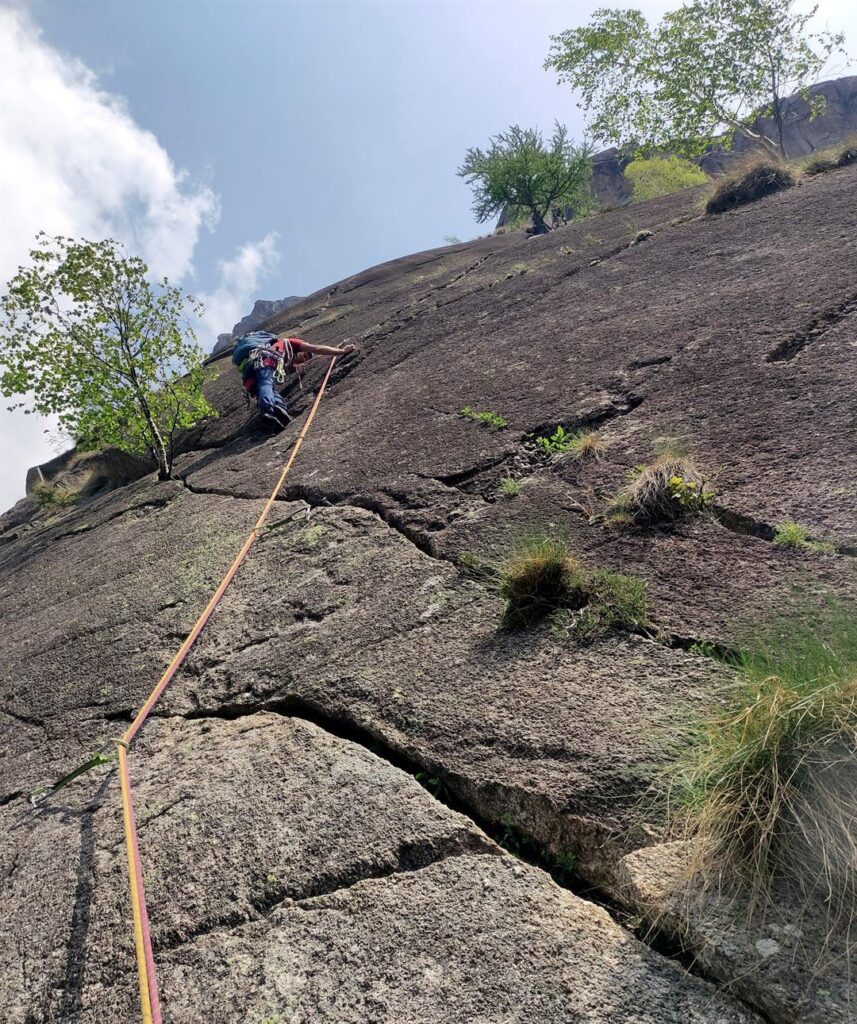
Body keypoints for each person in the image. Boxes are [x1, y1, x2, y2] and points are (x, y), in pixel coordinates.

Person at [234, 332, 356, 427]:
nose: (303, 360)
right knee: (266, 383)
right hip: (264, 361)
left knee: (272, 392)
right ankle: (267, 410)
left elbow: (289, 367)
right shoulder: (290, 343)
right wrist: (341, 351)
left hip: (249, 377)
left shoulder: (285, 358)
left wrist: (296, 366)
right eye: (305, 355)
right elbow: (317, 348)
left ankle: (279, 414)